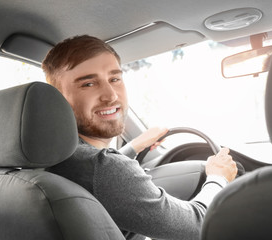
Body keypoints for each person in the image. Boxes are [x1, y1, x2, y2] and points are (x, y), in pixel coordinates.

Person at [42, 35, 238, 240]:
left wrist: (135, 146)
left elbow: (98, 176)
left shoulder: (52, 158)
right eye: (88, 84)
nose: (111, 95)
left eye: (114, 79)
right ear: (56, 99)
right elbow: (198, 226)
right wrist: (218, 177)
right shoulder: (104, 169)